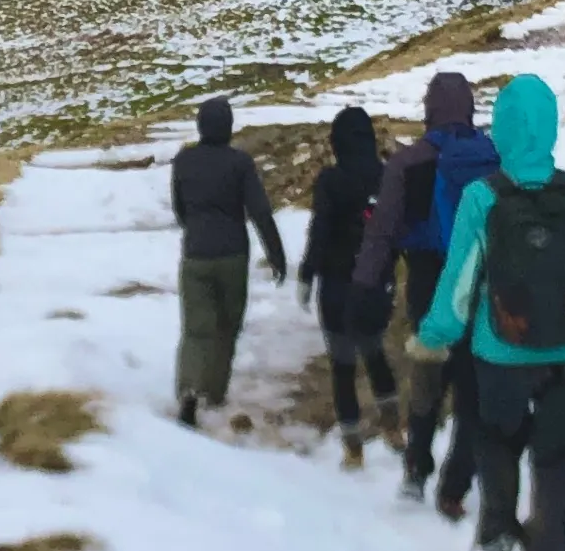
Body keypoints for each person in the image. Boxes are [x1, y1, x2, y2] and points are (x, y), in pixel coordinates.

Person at [410, 73, 565, 551]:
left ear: (503, 130)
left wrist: (432, 344)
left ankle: (495, 540)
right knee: (558, 460)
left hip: (501, 351)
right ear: (552, 127)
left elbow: (458, 284)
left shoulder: (481, 199)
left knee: (497, 446)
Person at [356, 70, 495, 511]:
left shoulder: (408, 163)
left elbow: (383, 232)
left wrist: (365, 284)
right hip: (481, 280)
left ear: (429, 108)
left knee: (429, 374)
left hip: (428, 279)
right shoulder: (494, 158)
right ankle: (455, 488)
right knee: (474, 385)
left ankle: (417, 468)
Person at [168, 94, 286, 427]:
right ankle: (215, 392)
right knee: (227, 326)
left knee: (196, 329)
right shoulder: (240, 163)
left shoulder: (184, 161)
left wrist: (194, 229)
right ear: (229, 126)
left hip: (195, 253)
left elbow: (179, 208)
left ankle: (189, 390)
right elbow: (260, 211)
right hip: (233, 254)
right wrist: (275, 254)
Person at [297, 104, 402, 466]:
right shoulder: (389, 176)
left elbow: (320, 231)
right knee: (375, 352)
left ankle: (353, 447)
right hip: (375, 284)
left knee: (342, 365)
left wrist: (307, 273)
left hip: (337, 286)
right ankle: (393, 427)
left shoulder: (331, 180)